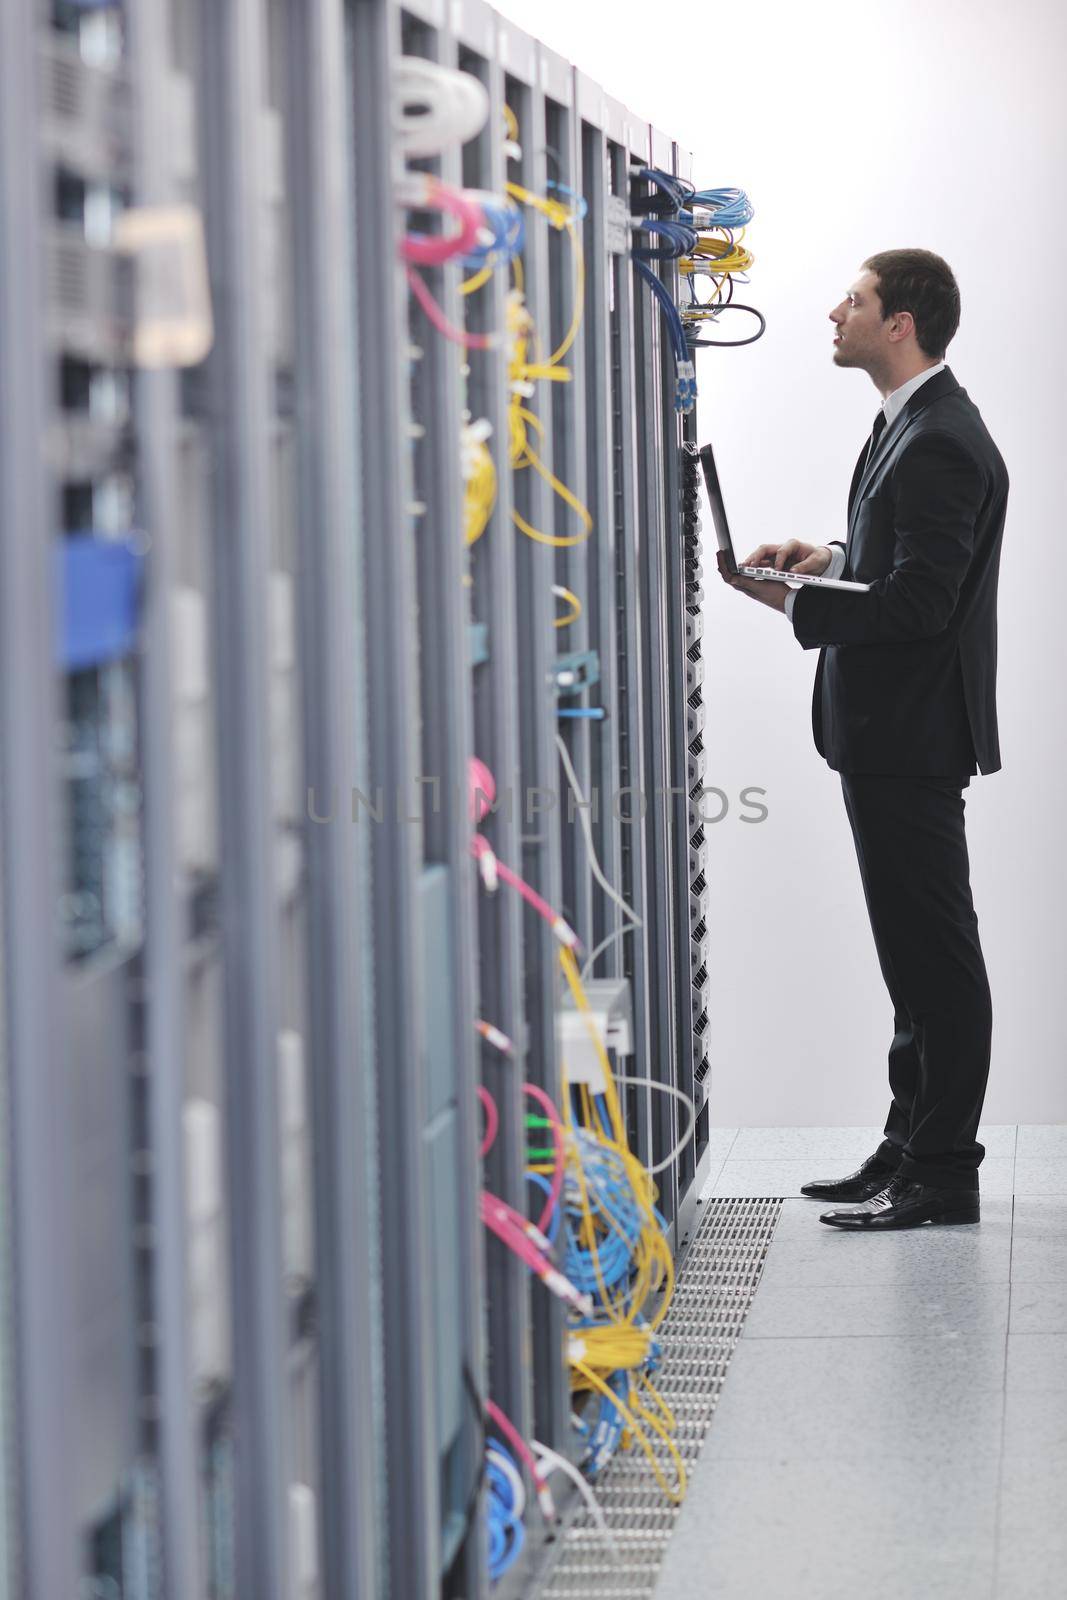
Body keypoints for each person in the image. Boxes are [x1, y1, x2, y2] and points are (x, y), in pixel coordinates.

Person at [717, 248, 1008, 1231]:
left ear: (900, 322)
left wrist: (793, 603)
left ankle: (940, 1172)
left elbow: (922, 604)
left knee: (936, 959)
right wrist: (829, 559)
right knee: (908, 960)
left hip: (910, 734)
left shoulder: (939, 440)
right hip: (886, 732)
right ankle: (904, 1145)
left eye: (853, 299)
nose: (832, 311)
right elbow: (897, 563)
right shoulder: (908, 424)